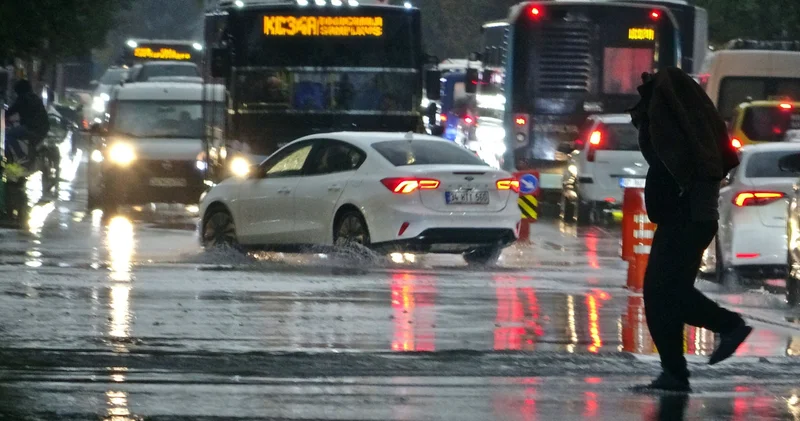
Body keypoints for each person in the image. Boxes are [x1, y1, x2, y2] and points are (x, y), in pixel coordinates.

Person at [628, 68, 753, 393]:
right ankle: (675, 372)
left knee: (664, 293)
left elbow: (676, 158)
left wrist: (682, 187)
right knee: (663, 294)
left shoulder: (678, 129)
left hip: (686, 218)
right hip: (685, 218)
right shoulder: (692, 128)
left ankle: (728, 326)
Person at [5, 79, 50, 168]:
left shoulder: (22, 98)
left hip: (32, 128)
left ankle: (21, 156)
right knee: (32, 144)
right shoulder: (35, 97)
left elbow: (10, 111)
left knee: (8, 135)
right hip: (44, 128)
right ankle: (30, 163)